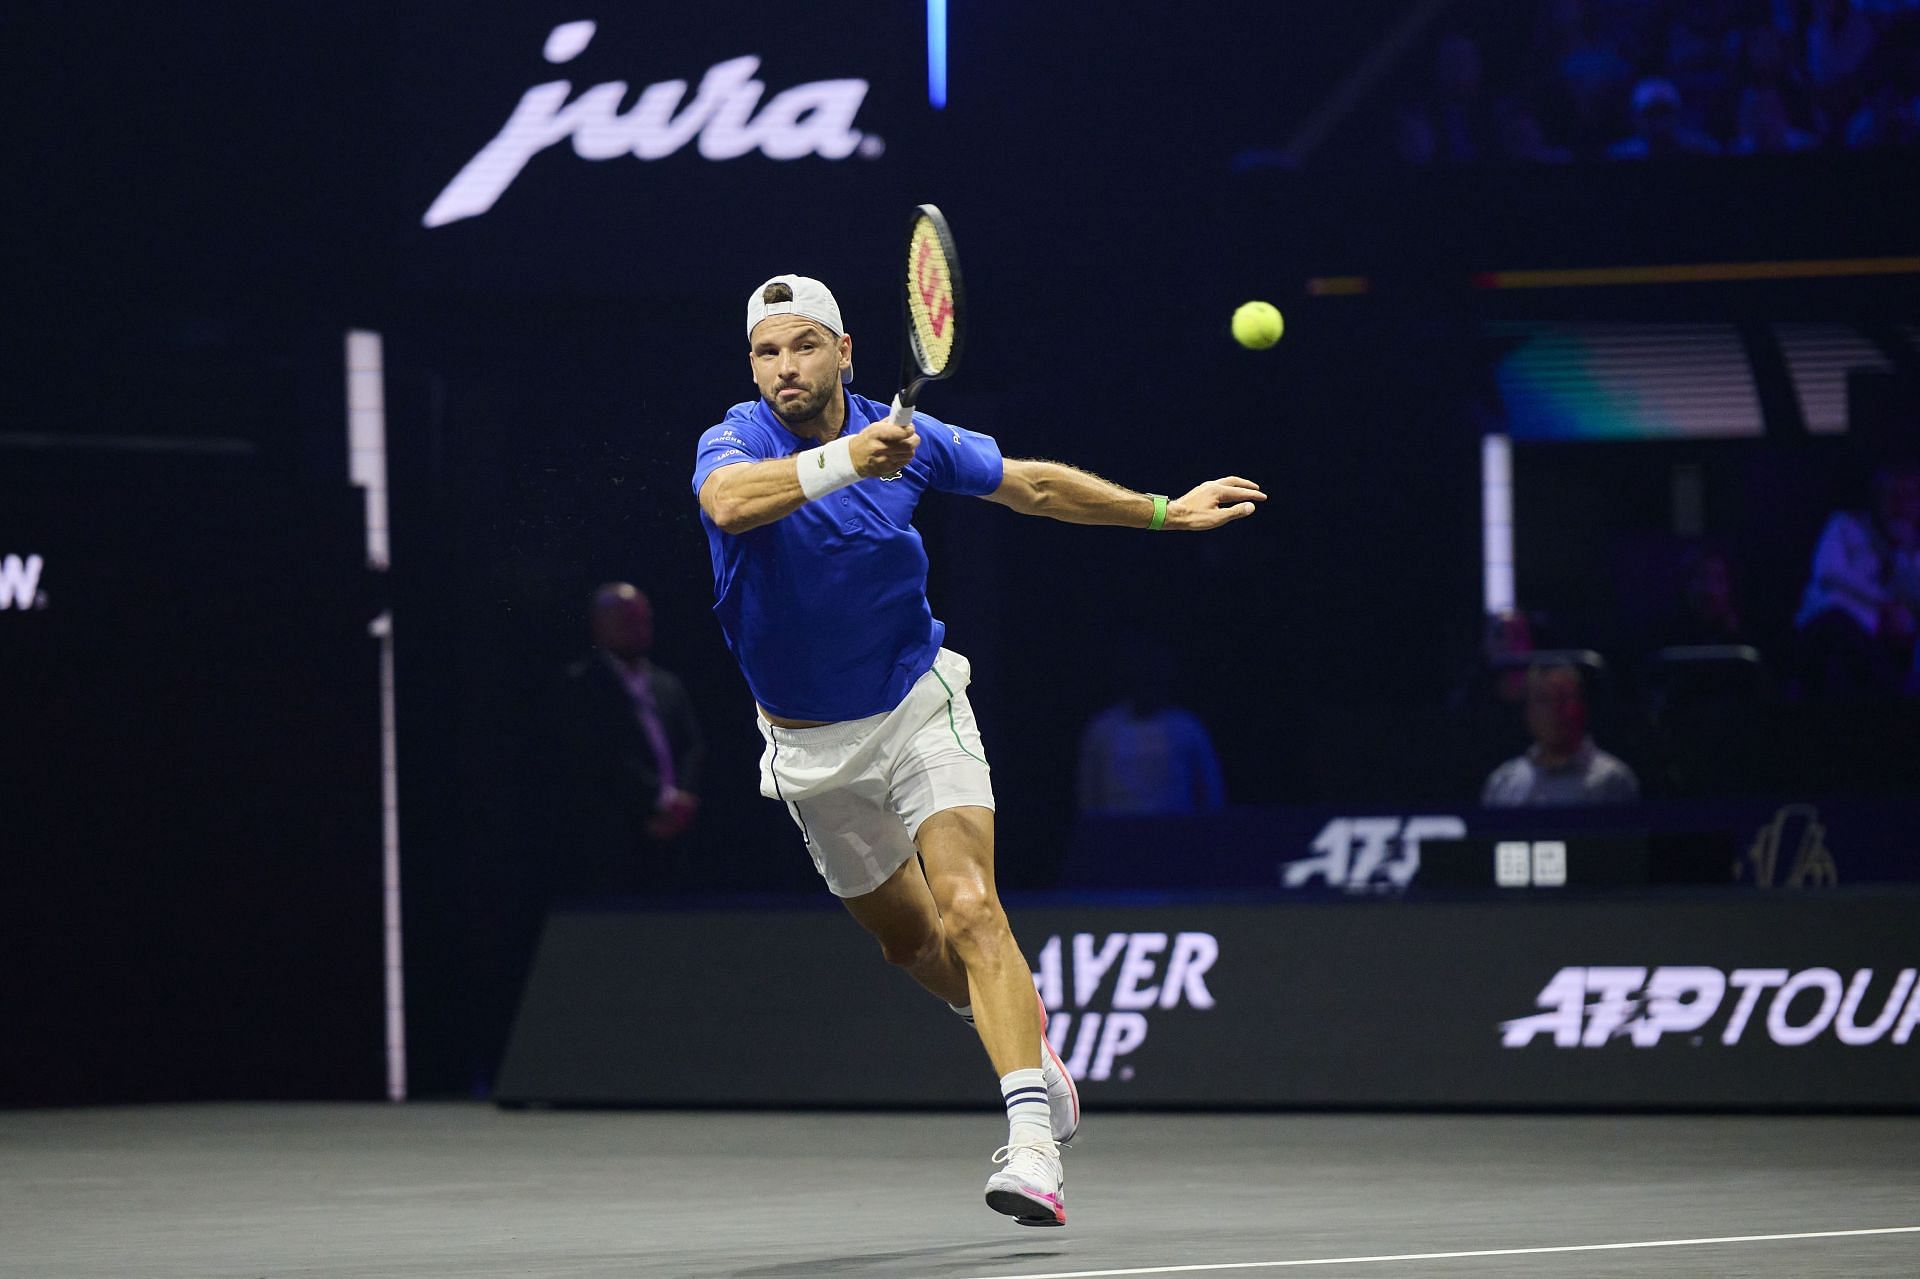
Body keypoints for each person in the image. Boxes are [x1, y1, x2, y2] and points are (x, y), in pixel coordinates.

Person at [692, 274, 1264, 1227]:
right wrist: (842, 461)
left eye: (802, 346)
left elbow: (1035, 484)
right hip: (805, 747)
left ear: (844, 352)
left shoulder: (915, 441)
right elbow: (726, 505)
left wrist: (1164, 511)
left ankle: (1032, 1144)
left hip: (918, 705)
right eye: (766, 352)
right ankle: (1028, 1048)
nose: (783, 368)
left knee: (968, 906)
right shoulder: (738, 436)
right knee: (907, 939)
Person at [553, 583, 705, 894]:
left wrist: (684, 798)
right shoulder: (582, 685)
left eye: (643, 620)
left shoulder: (667, 684)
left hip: (676, 829)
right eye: (626, 620)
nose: (637, 629)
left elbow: (693, 746)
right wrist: (658, 800)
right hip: (617, 835)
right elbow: (602, 757)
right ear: (599, 625)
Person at [1794, 460, 1920, 697]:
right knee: (1837, 629)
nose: (1899, 505)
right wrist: (1882, 606)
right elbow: (1828, 573)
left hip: (1887, 652)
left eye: (1909, 497)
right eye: (1892, 495)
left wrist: (1904, 551)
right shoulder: (1844, 526)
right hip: (1828, 636)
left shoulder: (1910, 551)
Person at [1076, 638, 1226, 817]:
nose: (1146, 682)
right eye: (1140, 674)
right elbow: (1088, 794)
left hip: (1177, 835)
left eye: (1151, 676)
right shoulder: (1103, 729)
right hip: (1119, 836)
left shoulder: (1187, 727)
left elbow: (1211, 791)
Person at [1482, 661, 1641, 807]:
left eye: (1563, 698)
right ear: (1528, 712)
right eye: (1543, 699)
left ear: (1582, 705)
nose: (1554, 709)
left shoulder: (1612, 780)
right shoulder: (1503, 782)